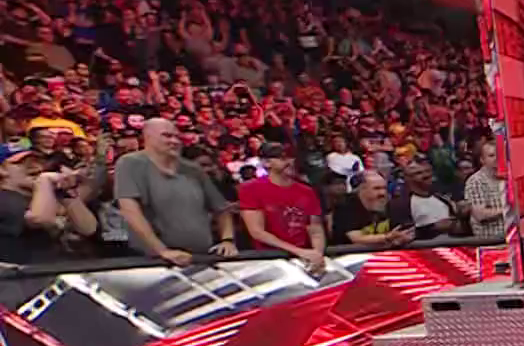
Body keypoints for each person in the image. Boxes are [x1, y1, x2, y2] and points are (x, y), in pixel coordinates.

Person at [114, 117, 237, 266]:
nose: (174, 141)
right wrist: (162, 251)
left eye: (177, 137)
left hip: (201, 256)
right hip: (154, 261)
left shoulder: (192, 169)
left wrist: (227, 240)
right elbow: (130, 211)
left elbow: (221, 208)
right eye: (167, 136)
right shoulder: (130, 163)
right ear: (147, 137)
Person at [237, 141, 325, 274]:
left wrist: (317, 254)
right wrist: (298, 252)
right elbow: (257, 231)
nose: (289, 162)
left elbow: (315, 229)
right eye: (282, 158)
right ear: (266, 163)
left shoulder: (307, 191)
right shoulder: (250, 188)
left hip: (303, 256)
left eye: (291, 157)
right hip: (268, 259)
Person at [330, 170, 413, 247]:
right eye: (377, 188)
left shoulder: (391, 204)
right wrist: (387, 238)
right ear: (362, 189)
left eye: (384, 188)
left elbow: (404, 232)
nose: (382, 193)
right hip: (350, 255)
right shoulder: (346, 205)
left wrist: (401, 238)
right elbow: (357, 239)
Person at [464, 137, 507, 238]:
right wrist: (508, 211)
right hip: (490, 241)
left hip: (511, 238)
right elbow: (480, 214)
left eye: (499, 155)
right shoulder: (476, 181)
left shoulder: (508, 178)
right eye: (491, 155)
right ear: (482, 160)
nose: (496, 159)